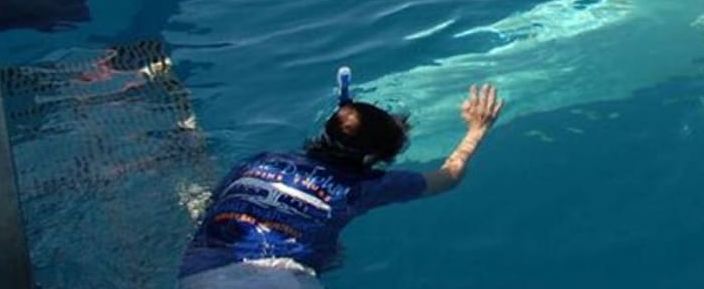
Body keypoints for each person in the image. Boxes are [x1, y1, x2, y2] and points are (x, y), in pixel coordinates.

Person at [178, 72, 504, 287]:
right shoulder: (362, 187)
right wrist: (477, 129)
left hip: (198, 273)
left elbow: (212, 208)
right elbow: (450, 177)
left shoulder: (260, 161)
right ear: (371, 159)